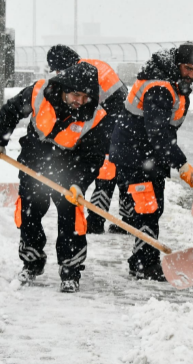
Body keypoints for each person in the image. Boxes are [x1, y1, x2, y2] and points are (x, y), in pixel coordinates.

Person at [0, 62, 109, 293]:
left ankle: (71, 271)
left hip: (69, 170)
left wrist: (79, 183)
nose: (80, 101)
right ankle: (32, 262)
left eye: (86, 97)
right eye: (75, 94)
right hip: (34, 164)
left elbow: (93, 157)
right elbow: (10, 112)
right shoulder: (39, 92)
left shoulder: (96, 115)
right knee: (29, 214)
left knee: (72, 221)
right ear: (64, 88)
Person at [109, 42, 193, 281]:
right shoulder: (159, 87)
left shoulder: (169, 81)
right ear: (176, 65)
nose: (191, 75)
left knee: (150, 208)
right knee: (149, 208)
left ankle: (143, 260)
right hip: (137, 155)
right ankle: (143, 264)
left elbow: (162, 131)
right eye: (188, 69)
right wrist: (180, 163)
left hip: (145, 154)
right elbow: (157, 132)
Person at [47, 45, 130, 235]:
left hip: (113, 123)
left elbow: (87, 108)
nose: (59, 74)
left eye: (59, 70)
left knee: (106, 170)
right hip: (124, 123)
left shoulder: (83, 74)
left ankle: (96, 220)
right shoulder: (94, 65)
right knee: (122, 171)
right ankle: (128, 219)